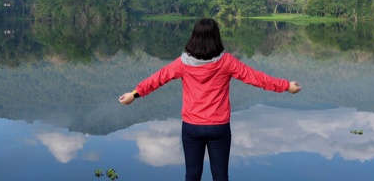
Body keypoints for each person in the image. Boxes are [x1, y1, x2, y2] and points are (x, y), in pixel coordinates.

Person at [119, 18, 302, 181]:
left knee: (192, 176)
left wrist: (134, 94)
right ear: (217, 37)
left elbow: (157, 79)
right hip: (219, 127)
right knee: (220, 176)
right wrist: (286, 86)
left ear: (194, 37)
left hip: (191, 126)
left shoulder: (183, 63)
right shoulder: (227, 62)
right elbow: (256, 78)